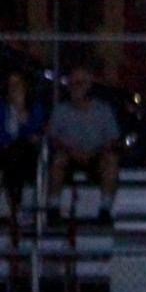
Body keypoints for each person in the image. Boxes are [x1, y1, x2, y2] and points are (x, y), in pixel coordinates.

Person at [47, 67, 122, 223]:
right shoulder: (61, 110)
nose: (76, 87)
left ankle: (105, 210)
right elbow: (53, 137)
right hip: (69, 155)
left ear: (89, 86)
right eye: (73, 83)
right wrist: (70, 151)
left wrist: (94, 152)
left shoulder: (103, 110)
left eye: (80, 83)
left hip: (95, 155)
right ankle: (53, 209)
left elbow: (113, 139)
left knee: (111, 161)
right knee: (58, 161)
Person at [0, 70, 47, 227]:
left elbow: (34, 132)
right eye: (11, 85)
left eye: (17, 84)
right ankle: (13, 207)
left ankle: (20, 207)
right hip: (5, 152)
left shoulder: (35, 107)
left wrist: (21, 113)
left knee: (19, 153)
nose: (14, 88)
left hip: (27, 153)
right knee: (10, 158)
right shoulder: (2, 108)